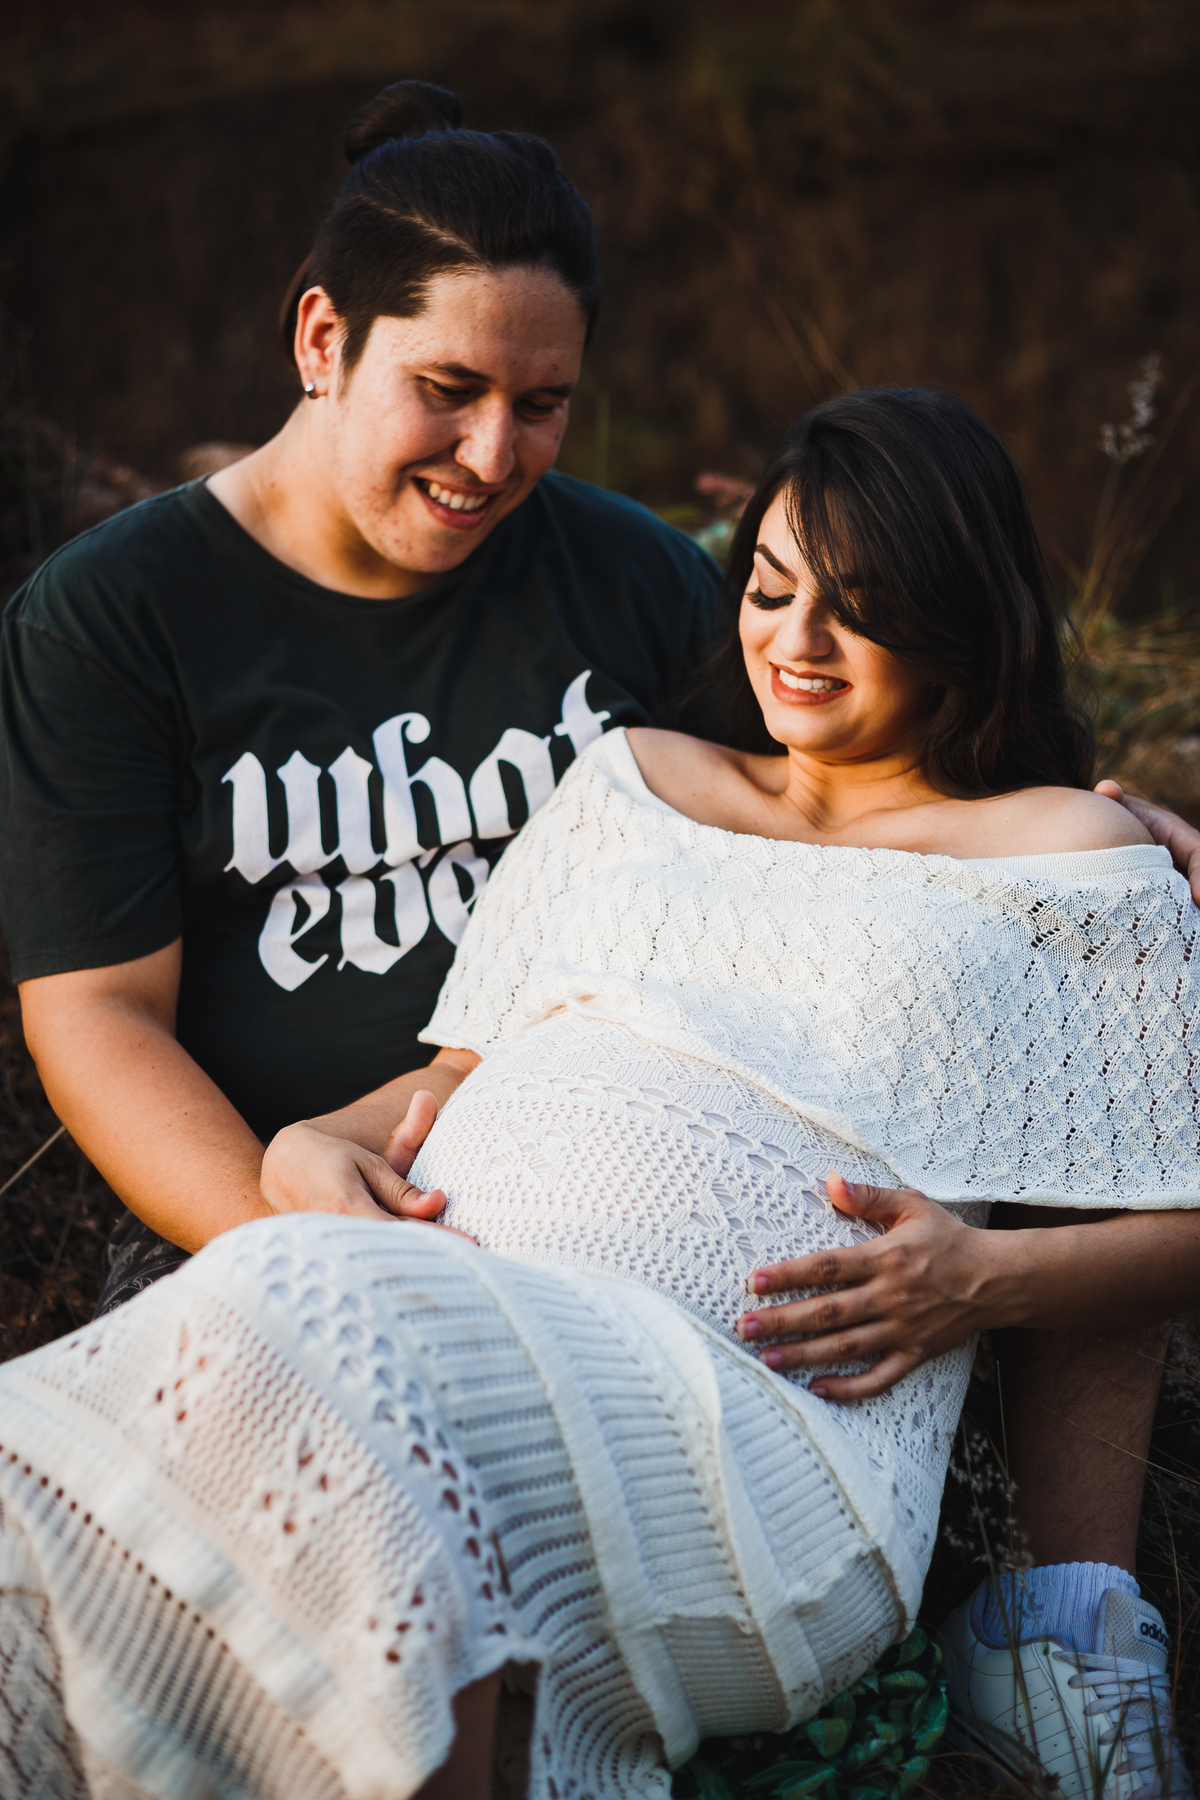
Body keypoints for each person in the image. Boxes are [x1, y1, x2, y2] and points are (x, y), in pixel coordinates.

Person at [2, 388, 1196, 1800]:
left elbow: (1175, 1212)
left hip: (770, 1434)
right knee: (71, 1449)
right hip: (464, 1323)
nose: (794, 643)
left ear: (958, 621)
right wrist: (314, 1146)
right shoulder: (633, 776)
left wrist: (979, 1282)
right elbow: (462, 1073)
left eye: (857, 609)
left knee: (332, 1331)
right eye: (768, 587)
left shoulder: (1068, 851)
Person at [0, 79, 723, 1313]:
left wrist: (1080, 825)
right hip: (260, 1212)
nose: (494, 458)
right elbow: (103, 1020)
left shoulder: (636, 576)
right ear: (322, 340)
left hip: (632, 1179)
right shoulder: (111, 620)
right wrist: (293, 1249)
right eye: (448, 389)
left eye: (541, 406)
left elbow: (832, 812)